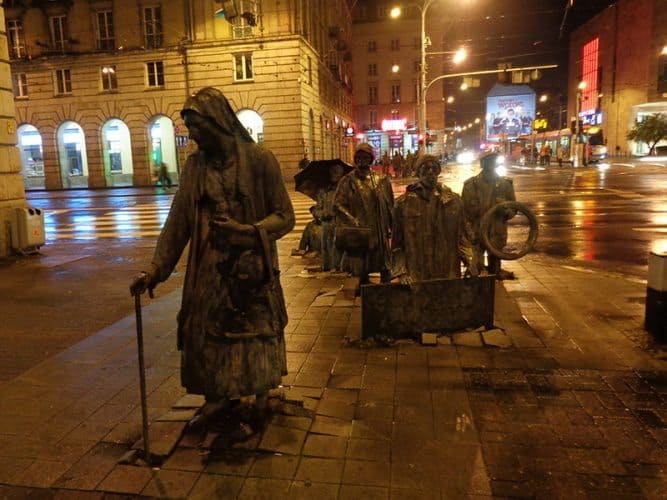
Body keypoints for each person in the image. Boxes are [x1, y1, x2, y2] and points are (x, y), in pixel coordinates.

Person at [129, 87, 295, 431]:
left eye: (197, 128)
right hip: (208, 269)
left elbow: (285, 216)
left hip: (253, 268)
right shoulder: (194, 168)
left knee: (254, 330)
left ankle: (256, 393)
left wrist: (248, 231)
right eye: (189, 129)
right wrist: (155, 270)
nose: (192, 137)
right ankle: (218, 397)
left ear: (218, 122)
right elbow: (177, 224)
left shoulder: (260, 160)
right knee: (205, 331)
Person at [392, 155, 477, 285]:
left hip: (448, 271)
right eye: (425, 168)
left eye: (434, 168)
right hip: (417, 272)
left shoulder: (454, 202)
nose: (430, 172)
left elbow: (462, 237)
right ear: (418, 173)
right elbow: (397, 244)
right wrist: (401, 272)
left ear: (438, 171)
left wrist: (470, 261)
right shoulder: (403, 204)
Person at [334, 143, 394, 291]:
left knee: (383, 259)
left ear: (371, 159)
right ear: (355, 159)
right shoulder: (348, 181)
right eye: (359, 158)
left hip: (378, 225)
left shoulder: (381, 179)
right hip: (359, 225)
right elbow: (337, 205)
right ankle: (363, 282)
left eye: (365, 157)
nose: (362, 161)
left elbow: (390, 204)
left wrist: (392, 224)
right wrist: (351, 219)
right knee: (362, 258)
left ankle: (385, 284)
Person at [462, 151, 516, 279]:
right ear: (482, 164)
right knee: (476, 270)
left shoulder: (505, 185)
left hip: (497, 233)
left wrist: (505, 208)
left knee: (494, 269)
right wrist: (469, 234)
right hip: (477, 233)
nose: (490, 165)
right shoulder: (470, 186)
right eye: (487, 161)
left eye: (493, 161)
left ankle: (496, 283)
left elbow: (513, 211)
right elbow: (463, 214)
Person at [313, 163, 345, 271]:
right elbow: (317, 210)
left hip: (341, 226)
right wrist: (323, 214)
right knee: (328, 251)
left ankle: (340, 268)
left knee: (340, 253)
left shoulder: (345, 191)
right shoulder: (324, 191)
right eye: (332, 172)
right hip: (327, 226)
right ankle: (329, 268)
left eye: (336, 172)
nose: (333, 175)